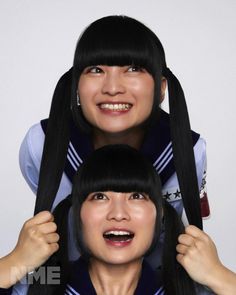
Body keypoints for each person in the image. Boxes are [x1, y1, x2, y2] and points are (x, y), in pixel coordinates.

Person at [17, 15, 210, 294]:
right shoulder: (43, 143)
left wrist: (215, 275)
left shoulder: (188, 150)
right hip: (62, 278)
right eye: (96, 69)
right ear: (76, 85)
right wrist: (17, 265)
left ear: (162, 87)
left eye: (132, 68)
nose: (112, 87)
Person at [2, 146, 235, 294]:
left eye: (136, 196)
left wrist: (219, 276)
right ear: (78, 214)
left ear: (160, 215)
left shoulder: (188, 289)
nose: (118, 213)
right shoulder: (40, 284)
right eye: (100, 197)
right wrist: (14, 262)